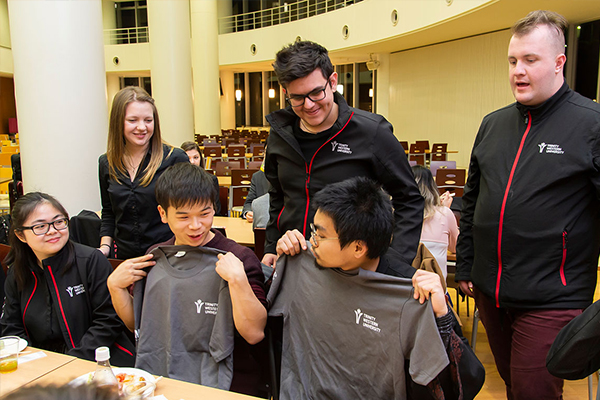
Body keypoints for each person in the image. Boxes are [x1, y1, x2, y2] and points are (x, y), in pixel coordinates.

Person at [455, 10, 600, 399]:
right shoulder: (493, 124)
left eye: (530, 60)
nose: (518, 70)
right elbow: (473, 201)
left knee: (533, 390)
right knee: (514, 385)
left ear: (558, 63)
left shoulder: (592, 124)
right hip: (491, 291)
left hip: (553, 295)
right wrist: (467, 265)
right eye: (513, 61)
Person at [271, 177, 484, 399]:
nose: (312, 241)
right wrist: (284, 260)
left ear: (358, 247)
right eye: (313, 231)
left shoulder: (408, 289)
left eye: (320, 235)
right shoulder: (304, 261)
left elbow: (468, 381)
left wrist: (442, 316)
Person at [107, 162, 267, 397]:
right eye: (183, 217)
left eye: (204, 214)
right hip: (163, 376)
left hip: (227, 381)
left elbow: (254, 333)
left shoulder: (240, 258)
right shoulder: (156, 257)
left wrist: (238, 281)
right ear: (163, 214)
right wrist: (116, 288)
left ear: (214, 208)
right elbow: (141, 324)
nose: (195, 226)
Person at [261, 40, 423, 269]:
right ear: (285, 92)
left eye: (316, 92)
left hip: (350, 271)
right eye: (297, 98)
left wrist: (393, 263)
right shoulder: (280, 134)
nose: (308, 105)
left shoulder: (371, 132)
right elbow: (278, 195)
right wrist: (270, 245)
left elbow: (410, 199)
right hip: (294, 264)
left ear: (333, 82)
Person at [0, 192, 135, 365]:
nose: (53, 231)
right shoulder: (18, 270)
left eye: (59, 222)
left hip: (94, 361)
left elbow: (108, 321)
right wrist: (33, 362)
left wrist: (71, 362)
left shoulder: (91, 260)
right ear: (20, 235)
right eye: (40, 227)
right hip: (40, 365)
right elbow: (11, 327)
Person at [98, 86, 188, 260]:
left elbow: (189, 210)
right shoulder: (106, 163)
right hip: (124, 257)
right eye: (132, 120)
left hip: (167, 255)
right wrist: (104, 248)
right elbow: (109, 212)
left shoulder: (174, 158)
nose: (142, 127)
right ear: (118, 122)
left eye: (148, 120)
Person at [412, 165, 458, 278]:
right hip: (437, 291)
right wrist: (444, 209)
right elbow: (455, 248)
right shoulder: (445, 214)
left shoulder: (397, 215)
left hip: (404, 290)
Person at [180, 140, 221, 215]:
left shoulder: (211, 180)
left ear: (200, 159)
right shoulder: (175, 182)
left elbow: (216, 208)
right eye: (188, 158)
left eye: (196, 157)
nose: (192, 162)